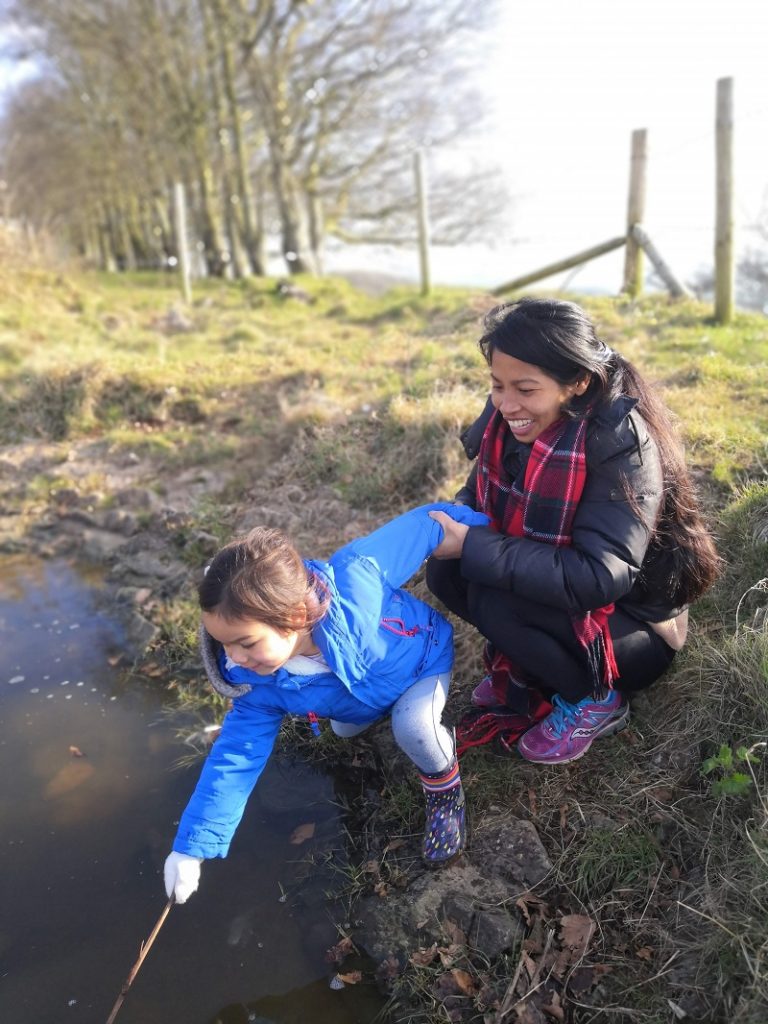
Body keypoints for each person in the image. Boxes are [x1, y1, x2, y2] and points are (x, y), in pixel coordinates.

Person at [426, 297, 720, 766]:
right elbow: (477, 495)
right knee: (446, 573)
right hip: (571, 598)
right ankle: (534, 667)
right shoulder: (508, 421)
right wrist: (456, 518)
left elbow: (600, 576)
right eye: (497, 385)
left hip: (633, 628)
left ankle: (596, 698)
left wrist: (476, 545)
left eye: (525, 389)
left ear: (577, 383)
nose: (506, 404)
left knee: (492, 596)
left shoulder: (619, 442)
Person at [163, 502, 490, 905]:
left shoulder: (356, 576)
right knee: (342, 730)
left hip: (422, 663)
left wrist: (486, 535)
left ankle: (444, 791)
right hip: (358, 703)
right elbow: (236, 756)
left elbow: (422, 527)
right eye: (224, 644)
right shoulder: (257, 684)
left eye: (245, 643)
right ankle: (373, 720)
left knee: (414, 728)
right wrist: (192, 847)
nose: (233, 659)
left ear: (295, 614)